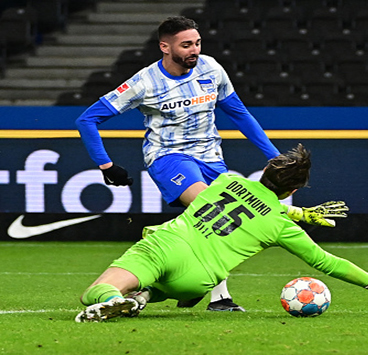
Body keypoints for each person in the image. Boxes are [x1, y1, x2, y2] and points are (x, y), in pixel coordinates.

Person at [75, 16, 347, 312]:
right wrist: (106, 165)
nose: (195, 50)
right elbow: (87, 119)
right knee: (210, 204)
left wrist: (273, 156)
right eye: (187, 44)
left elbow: (239, 113)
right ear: (164, 47)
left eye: (198, 43)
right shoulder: (144, 82)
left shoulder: (211, 68)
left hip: (211, 157)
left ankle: (167, 284)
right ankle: (219, 298)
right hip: (169, 157)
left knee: (220, 220)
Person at [74, 144, 368, 323]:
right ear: (292, 190)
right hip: (198, 280)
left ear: (266, 169)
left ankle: (112, 301)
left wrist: (298, 212)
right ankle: (142, 298)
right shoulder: (281, 225)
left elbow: (246, 198)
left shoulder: (228, 180)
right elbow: (327, 262)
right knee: (155, 288)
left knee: (95, 291)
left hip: (165, 246)